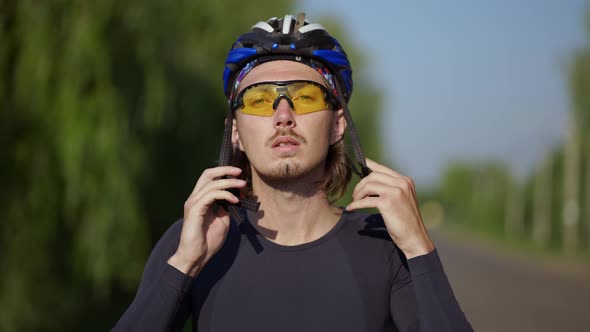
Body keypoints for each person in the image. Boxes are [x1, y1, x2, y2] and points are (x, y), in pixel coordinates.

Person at [113, 13, 472, 332]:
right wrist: (182, 265)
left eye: (305, 97)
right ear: (235, 131)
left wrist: (419, 248)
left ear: (337, 125)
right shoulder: (195, 240)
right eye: (258, 99)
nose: (283, 115)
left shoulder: (384, 245)